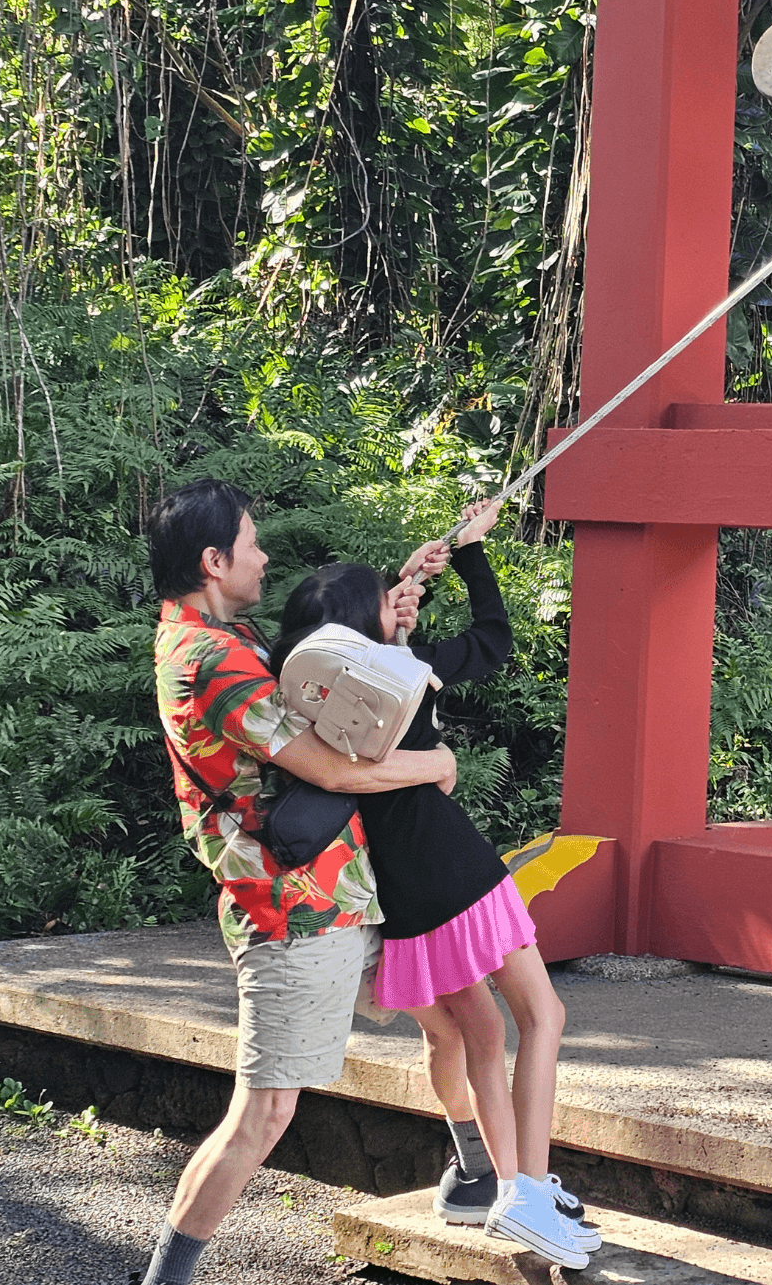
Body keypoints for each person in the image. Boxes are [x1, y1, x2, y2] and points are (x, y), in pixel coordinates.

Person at [138, 479, 458, 1285]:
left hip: (338, 896)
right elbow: (321, 762)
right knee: (264, 1113)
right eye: (251, 542)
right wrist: (436, 764)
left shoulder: (226, 636)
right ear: (214, 560)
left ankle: (487, 1174)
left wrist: (394, 594)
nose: (265, 555)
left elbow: (325, 662)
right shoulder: (208, 658)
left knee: (460, 1019)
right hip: (292, 911)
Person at [273, 499, 598, 1269]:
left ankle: (505, 1183)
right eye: (388, 601)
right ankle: (530, 1190)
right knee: (542, 1016)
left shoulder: (312, 710)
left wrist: (407, 590)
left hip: (406, 895)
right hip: (459, 870)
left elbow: (362, 653)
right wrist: (473, 556)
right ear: (366, 630)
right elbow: (495, 640)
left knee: (482, 1036)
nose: (402, 603)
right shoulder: (412, 673)